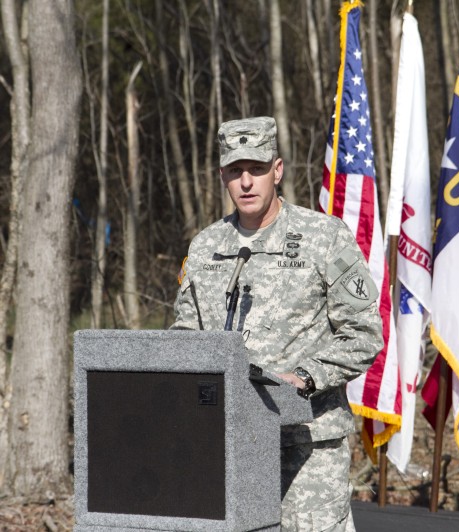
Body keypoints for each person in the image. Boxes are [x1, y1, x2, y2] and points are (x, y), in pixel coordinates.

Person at [171, 116, 383, 531]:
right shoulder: (206, 247)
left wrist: (305, 376)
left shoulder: (324, 237)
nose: (246, 182)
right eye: (235, 171)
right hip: (228, 446)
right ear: (223, 177)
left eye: (257, 169)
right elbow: (186, 339)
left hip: (308, 445)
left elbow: (363, 332)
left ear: (278, 170)